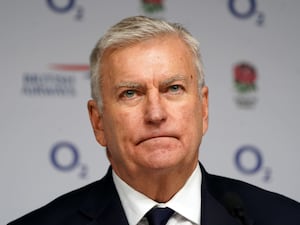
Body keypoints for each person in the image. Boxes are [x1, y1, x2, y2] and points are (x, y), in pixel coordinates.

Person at [8, 15, 300, 225]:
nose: (155, 114)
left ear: (204, 108)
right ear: (98, 122)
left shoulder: (284, 218)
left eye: (173, 88)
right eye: (131, 93)